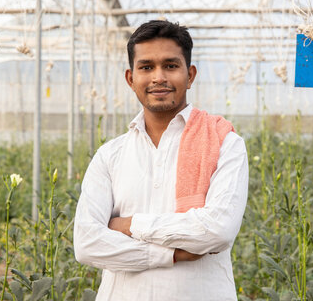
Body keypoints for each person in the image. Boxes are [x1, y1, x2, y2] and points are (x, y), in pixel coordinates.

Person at [73, 20, 249, 301]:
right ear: (131, 79)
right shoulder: (110, 155)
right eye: (146, 67)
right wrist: (172, 254)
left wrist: (129, 225)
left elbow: (217, 230)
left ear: (190, 75)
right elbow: (87, 244)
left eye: (170, 66)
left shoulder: (224, 144)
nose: (158, 77)